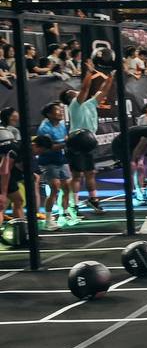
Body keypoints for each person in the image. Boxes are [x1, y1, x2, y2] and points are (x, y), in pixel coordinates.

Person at [67, 63, 113, 214]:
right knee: (77, 175)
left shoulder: (91, 103)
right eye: (72, 92)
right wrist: (89, 72)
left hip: (89, 140)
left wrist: (111, 76)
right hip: (77, 139)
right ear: (70, 98)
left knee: (90, 173)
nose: (76, 92)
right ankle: (74, 205)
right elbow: (85, 89)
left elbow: (104, 91)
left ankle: (93, 200)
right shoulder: (74, 105)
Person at [36, 101, 72, 229]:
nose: (61, 112)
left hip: (61, 160)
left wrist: (68, 141)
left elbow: (65, 138)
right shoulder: (44, 129)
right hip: (48, 161)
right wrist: (69, 143)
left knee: (67, 187)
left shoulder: (61, 125)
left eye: (61, 110)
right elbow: (49, 147)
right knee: (55, 189)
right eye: (57, 111)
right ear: (49, 114)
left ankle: (65, 213)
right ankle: (48, 220)